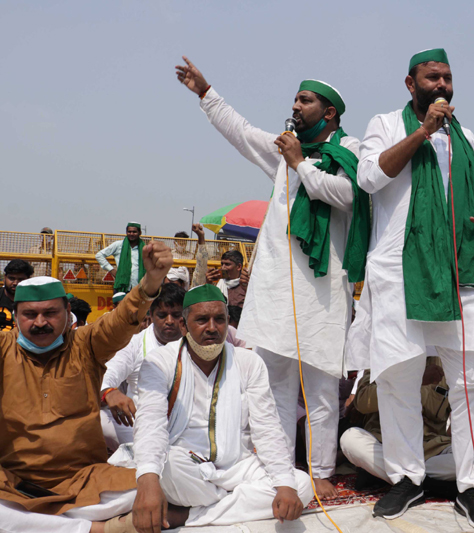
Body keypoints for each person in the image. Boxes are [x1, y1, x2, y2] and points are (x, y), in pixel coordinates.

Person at [176, 56, 369, 499]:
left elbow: (346, 196)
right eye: (295, 99)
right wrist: (206, 93)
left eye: (305, 100)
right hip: (277, 287)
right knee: (273, 384)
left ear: (329, 112)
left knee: (321, 387)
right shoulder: (285, 149)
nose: (295, 106)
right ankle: (280, 468)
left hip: (323, 287)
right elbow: (241, 132)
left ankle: (320, 470)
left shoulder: (349, 150)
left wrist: (301, 164)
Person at [346, 48, 474, 528]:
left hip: (460, 270)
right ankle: (407, 478)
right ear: (410, 83)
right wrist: (422, 133)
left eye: (448, 78)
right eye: (432, 77)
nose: (442, 85)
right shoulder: (385, 124)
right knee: (398, 377)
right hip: (400, 271)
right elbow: (369, 177)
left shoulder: (466, 138)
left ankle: (471, 484)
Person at [0, 242, 172, 533]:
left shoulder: (85, 345)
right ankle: (100, 529)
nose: (40, 322)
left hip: (86, 481)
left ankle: (52, 525)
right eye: (30, 314)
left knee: (160, 485)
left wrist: (151, 282)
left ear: (68, 311)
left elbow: (120, 321)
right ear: (15, 315)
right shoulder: (3, 349)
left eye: (50, 313)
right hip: (14, 483)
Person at [131, 284, 312, 530]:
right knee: (165, 466)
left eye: (219, 319)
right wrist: (148, 483)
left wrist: (284, 484)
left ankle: (186, 516)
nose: (212, 328)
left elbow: (267, 427)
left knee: (301, 485)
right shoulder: (160, 361)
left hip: (238, 465)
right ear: (183, 325)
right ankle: (232, 505)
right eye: (202, 320)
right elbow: (150, 423)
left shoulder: (249, 362)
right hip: (186, 467)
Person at [340, 358, 455, 486]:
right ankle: (421, 482)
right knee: (350, 439)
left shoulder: (446, 361)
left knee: (469, 461)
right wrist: (413, 380)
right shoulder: (383, 357)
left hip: (429, 449)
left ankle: (400, 478)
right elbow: (363, 402)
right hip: (385, 444)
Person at [100, 283, 186, 450]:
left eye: (176, 315)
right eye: (162, 315)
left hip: (183, 423)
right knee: (101, 418)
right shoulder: (135, 344)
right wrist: (110, 392)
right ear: (150, 315)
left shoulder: (193, 344)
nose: (169, 321)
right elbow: (107, 374)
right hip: (138, 423)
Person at [96, 222, 147, 293]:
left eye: (134, 232)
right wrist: (111, 270)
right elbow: (99, 255)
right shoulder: (119, 245)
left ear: (140, 233)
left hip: (139, 287)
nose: (131, 234)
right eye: (129, 232)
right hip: (121, 287)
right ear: (126, 232)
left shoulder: (145, 248)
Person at [0, 259, 34, 331]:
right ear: (5, 278)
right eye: (11, 278)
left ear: (28, 280)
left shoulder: (35, 299)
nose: (15, 283)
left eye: (21, 279)